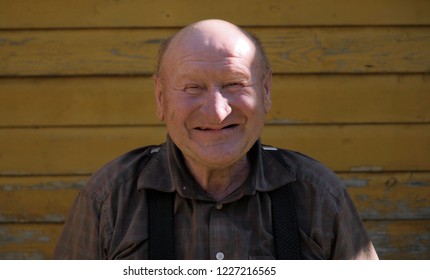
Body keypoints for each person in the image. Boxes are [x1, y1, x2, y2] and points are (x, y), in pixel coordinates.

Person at [54, 19, 379, 260]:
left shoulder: (319, 196)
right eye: (193, 87)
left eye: (234, 84)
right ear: (160, 97)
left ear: (265, 92)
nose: (217, 112)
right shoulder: (109, 199)